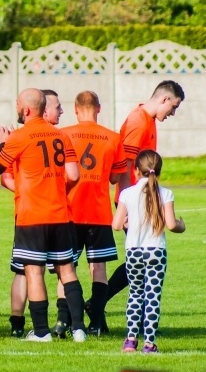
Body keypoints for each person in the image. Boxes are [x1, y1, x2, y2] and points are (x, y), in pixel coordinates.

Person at [0, 88, 87, 342]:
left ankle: (42, 332)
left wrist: (4, 142)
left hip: (31, 215)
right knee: (67, 270)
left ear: (25, 110)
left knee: (34, 272)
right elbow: (75, 175)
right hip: (59, 214)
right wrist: (57, 190)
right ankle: (78, 329)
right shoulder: (61, 136)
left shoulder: (19, 137)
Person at [100, 80, 185, 319]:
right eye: (174, 107)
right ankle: (100, 304)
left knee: (138, 257)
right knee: (142, 257)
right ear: (164, 99)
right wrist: (127, 206)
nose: (173, 113)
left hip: (136, 198)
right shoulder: (138, 122)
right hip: (133, 200)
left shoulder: (146, 119)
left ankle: (97, 304)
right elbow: (126, 165)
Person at [60, 91, 127, 336]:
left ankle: (64, 320)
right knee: (98, 267)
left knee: (67, 267)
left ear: (76, 109)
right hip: (98, 213)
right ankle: (97, 322)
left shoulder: (63, 134)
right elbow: (113, 178)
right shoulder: (113, 137)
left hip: (70, 211)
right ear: (98, 108)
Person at [112, 149, 185, 353]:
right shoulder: (166, 193)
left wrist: (129, 223)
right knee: (152, 295)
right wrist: (182, 225)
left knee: (135, 294)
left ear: (135, 171)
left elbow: (117, 225)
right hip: (156, 250)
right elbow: (171, 225)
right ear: (158, 172)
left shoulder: (127, 194)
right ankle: (149, 342)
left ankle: (130, 340)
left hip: (133, 250)